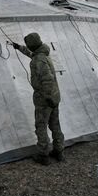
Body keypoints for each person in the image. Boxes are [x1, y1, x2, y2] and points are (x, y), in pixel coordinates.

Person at [12, 33, 64, 165]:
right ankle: (59, 152)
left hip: (45, 99)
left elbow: (47, 79)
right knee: (55, 125)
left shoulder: (38, 60)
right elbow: (32, 54)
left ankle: (43, 154)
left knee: (41, 126)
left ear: (31, 45)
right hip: (54, 97)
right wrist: (19, 48)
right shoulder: (43, 54)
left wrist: (46, 97)